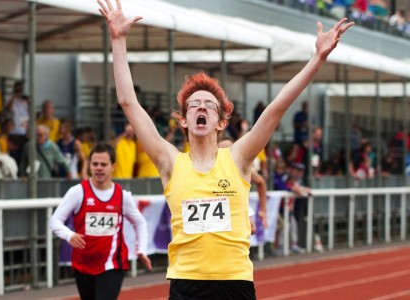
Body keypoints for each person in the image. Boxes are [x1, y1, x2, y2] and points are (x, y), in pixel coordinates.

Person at [98, 0, 353, 298]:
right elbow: (129, 103)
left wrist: (317, 59)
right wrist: (118, 40)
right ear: (184, 119)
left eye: (210, 105)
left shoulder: (238, 157)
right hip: (186, 284)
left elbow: (277, 107)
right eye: (194, 105)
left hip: (235, 282)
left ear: (221, 122)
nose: (201, 107)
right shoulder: (169, 162)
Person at [49, 143, 152, 300]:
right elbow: (55, 221)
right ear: (89, 165)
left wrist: (142, 249)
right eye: (95, 164)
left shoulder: (122, 196)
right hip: (83, 263)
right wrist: (69, 235)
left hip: (112, 263)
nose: (98, 168)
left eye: (103, 164)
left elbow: (140, 222)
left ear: (113, 166)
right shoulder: (78, 192)